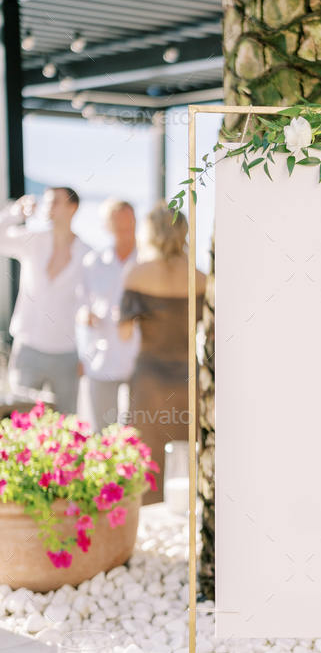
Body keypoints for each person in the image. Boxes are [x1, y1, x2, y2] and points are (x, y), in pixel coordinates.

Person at [118, 201, 206, 503]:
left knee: (147, 459)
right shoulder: (201, 277)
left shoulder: (137, 273)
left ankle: (146, 529)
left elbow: (123, 332)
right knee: (188, 457)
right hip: (188, 379)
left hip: (150, 380)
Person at [0, 188, 90, 414]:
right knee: (21, 419)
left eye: (55, 202)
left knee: (65, 422)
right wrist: (15, 213)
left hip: (67, 354)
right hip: (28, 349)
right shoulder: (33, 239)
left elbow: (90, 306)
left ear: (73, 207)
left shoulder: (87, 254)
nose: (48, 206)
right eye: (47, 201)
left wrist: (86, 354)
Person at [77, 198, 140, 432]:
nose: (126, 232)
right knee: (102, 433)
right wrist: (86, 317)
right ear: (108, 228)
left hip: (140, 362)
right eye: (119, 227)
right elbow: (80, 306)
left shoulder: (147, 262)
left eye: (130, 225)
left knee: (138, 434)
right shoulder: (93, 262)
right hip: (100, 360)